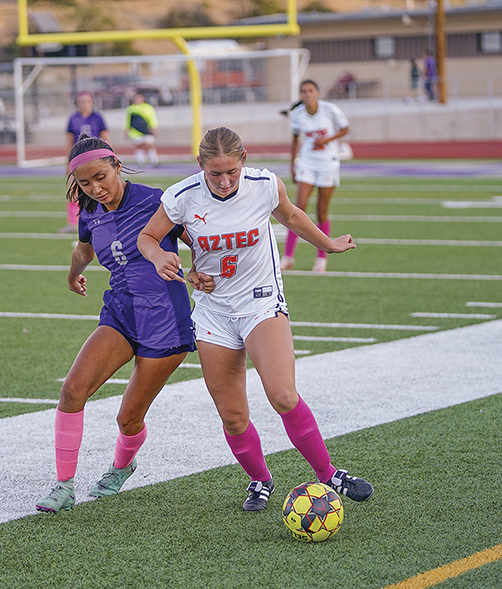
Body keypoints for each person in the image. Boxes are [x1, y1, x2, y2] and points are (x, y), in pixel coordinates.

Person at [138, 127, 373, 511]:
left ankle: (328, 473)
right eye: (215, 173)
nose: (225, 180)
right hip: (214, 311)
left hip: (261, 303)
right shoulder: (181, 196)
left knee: (282, 394)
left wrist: (327, 245)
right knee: (233, 417)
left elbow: (293, 216)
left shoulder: (264, 184)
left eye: (232, 170)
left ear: (243, 158)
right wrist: (160, 257)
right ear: (200, 166)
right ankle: (260, 480)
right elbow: (149, 237)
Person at [35, 133, 213, 513]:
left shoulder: (155, 200)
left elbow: (197, 239)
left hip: (166, 320)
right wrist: (72, 274)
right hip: (119, 312)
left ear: (117, 165)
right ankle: (63, 486)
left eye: (101, 176)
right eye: (85, 183)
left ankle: (122, 465)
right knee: (72, 391)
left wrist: (198, 268)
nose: (95, 188)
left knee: (128, 418)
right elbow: (84, 248)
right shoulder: (89, 210)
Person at [282, 79, 350, 274]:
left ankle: (321, 258)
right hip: (307, 163)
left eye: (311, 90)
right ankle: (288, 256)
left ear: (318, 92)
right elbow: (294, 141)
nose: (307, 94)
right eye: (303, 91)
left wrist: (327, 139)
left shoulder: (330, 110)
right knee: (297, 208)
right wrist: (293, 165)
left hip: (328, 163)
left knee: (321, 212)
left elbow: (345, 128)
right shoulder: (297, 114)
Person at [60, 92, 110, 234]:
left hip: (96, 159)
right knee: (74, 192)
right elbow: (69, 141)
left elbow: (105, 138)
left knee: (102, 190)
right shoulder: (73, 118)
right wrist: (67, 163)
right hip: (78, 160)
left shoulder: (98, 118)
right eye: (81, 101)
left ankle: (105, 221)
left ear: (92, 102)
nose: (84, 104)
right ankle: (72, 223)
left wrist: (110, 157)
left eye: (87, 101)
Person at [124, 93, 159, 166]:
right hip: (135, 131)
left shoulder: (148, 107)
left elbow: (152, 118)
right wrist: (126, 130)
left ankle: (154, 160)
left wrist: (154, 127)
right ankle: (140, 161)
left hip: (146, 130)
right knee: (138, 146)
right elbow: (127, 120)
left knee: (150, 144)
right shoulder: (131, 109)